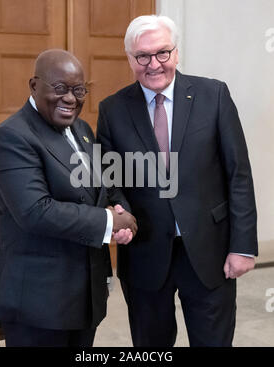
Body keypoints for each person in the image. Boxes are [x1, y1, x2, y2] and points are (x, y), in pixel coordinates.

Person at [96, 15, 258, 347]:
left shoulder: (213, 95)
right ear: (130, 58)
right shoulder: (112, 109)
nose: (153, 64)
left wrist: (242, 247)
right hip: (144, 253)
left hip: (209, 251)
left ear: (176, 53)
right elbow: (110, 180)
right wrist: (120, 211)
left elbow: (238, 174)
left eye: (162, 53)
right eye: (143, 56)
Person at [0, 49, 137, 347]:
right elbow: (35, 211)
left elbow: (98, 186)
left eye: (78, 90)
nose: (70, 98)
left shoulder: (80, 129)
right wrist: (108, 220)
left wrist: (119, 210)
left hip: (82, 298)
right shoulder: (12, 136)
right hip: (37, 302)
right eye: (60, 89)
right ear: (33, 86)